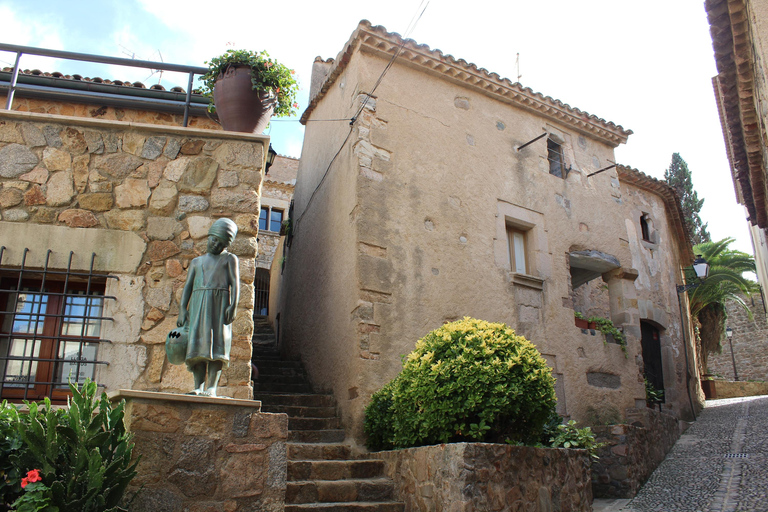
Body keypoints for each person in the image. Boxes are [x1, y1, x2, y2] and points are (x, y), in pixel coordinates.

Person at [177, 218, 240, 397]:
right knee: (197, 347)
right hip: (198, 306)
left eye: (221, 243)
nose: (215, 245)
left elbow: (235, 284)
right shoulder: (197, 262)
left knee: (217, 348)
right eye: (214, 239)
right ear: (209, 236)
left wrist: (233, 305)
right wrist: (183, 308)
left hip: (219, 306)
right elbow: (187, 286)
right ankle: (198, 386)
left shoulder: (229, 259)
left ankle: (211, 388)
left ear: (226, 245)